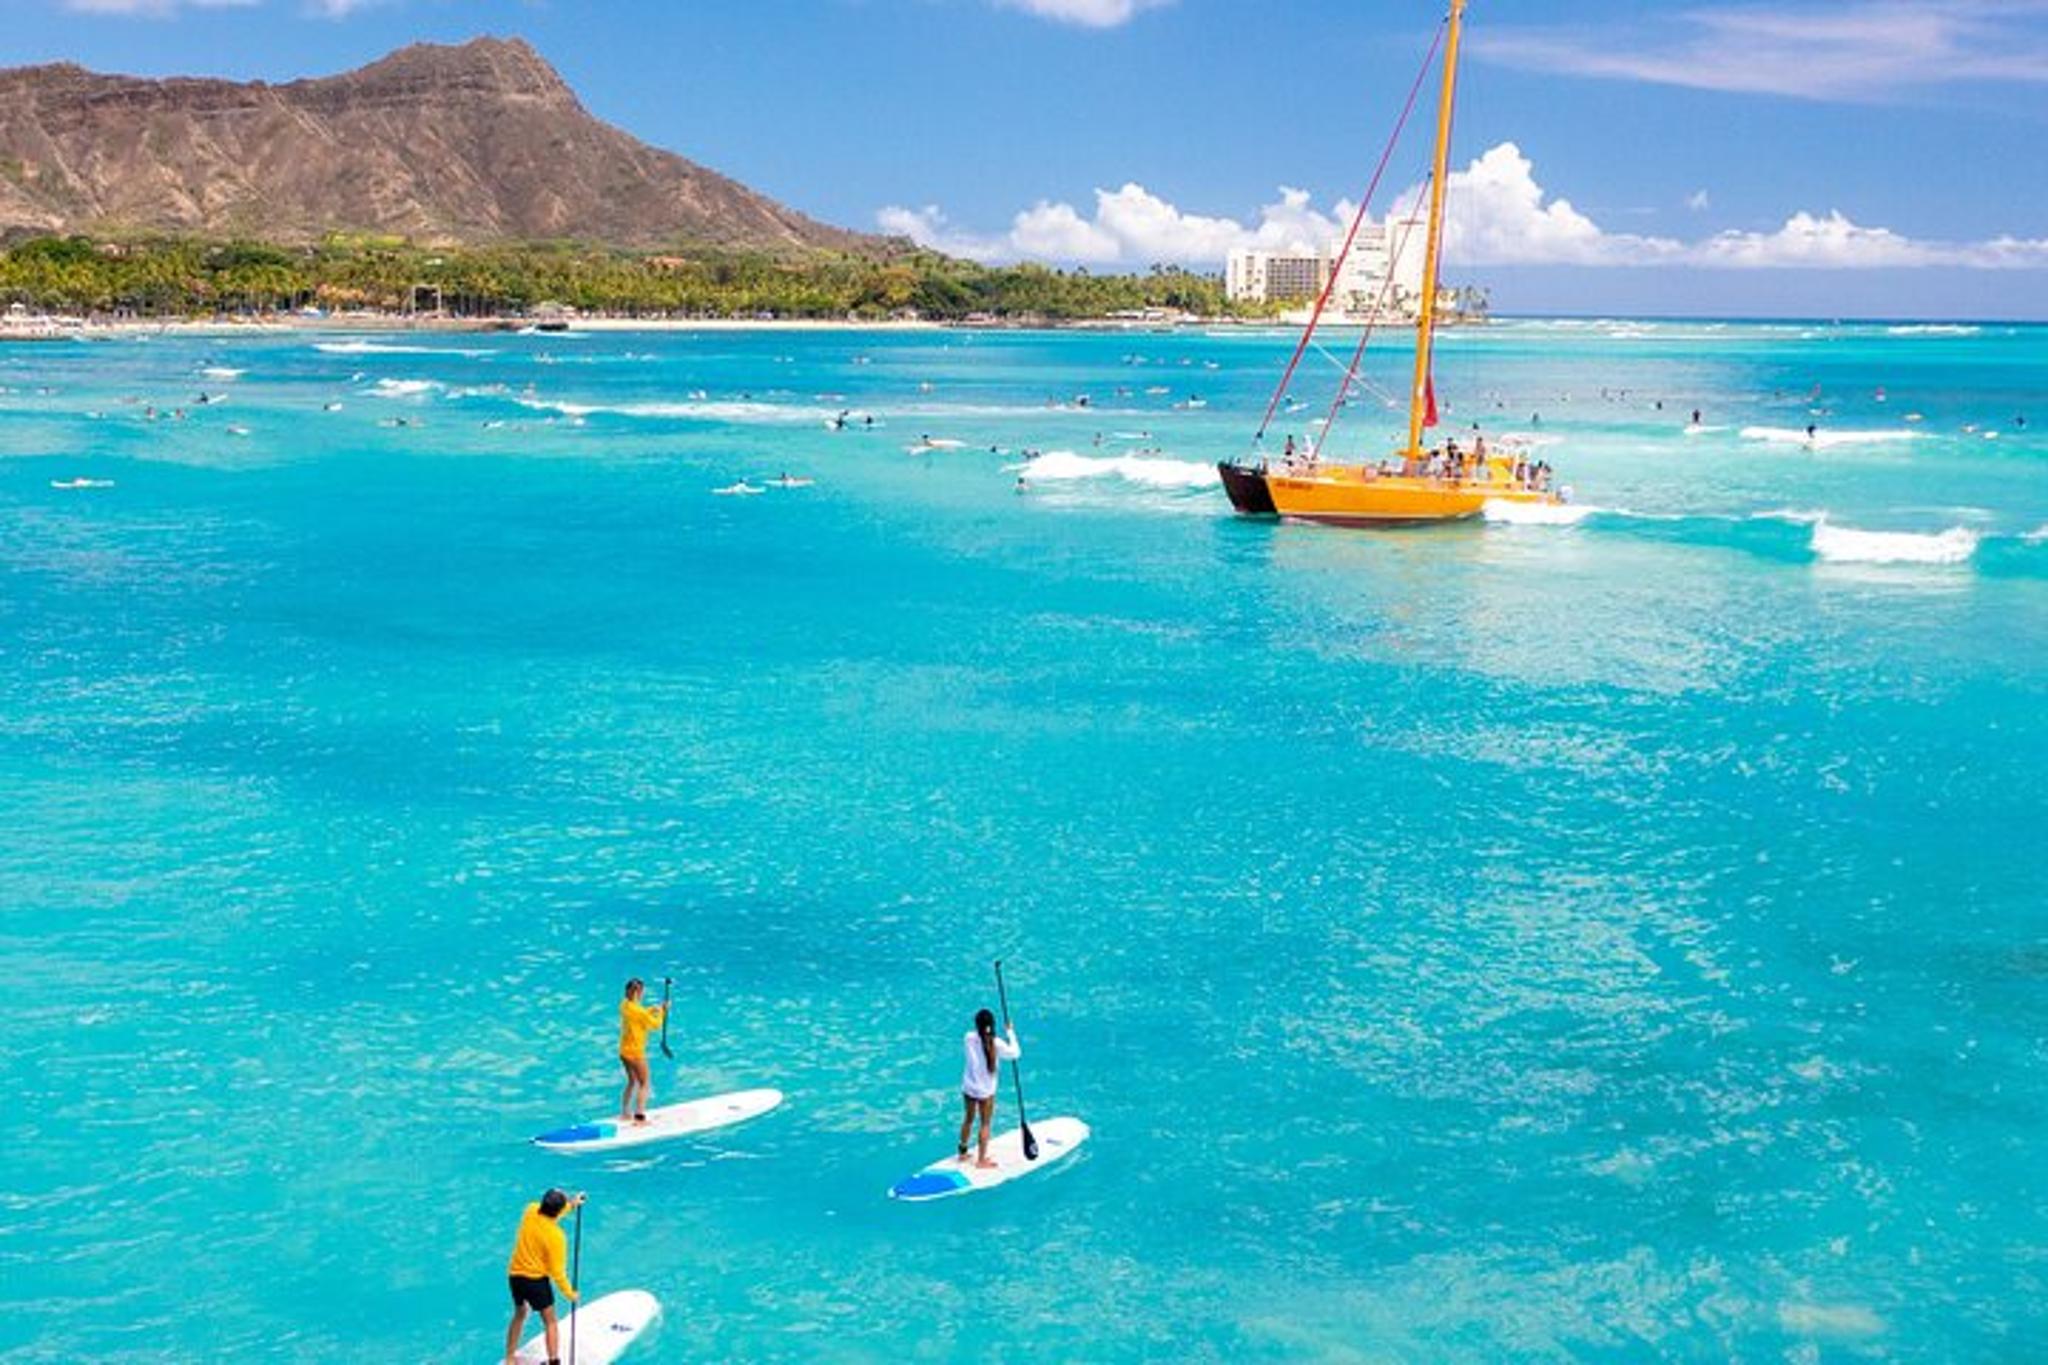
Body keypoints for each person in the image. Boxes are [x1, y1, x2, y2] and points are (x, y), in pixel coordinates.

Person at [504, 1188, 584, 1365]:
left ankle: (510, 1357)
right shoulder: (556, 1237)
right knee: (550, 1322)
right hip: (536, 1282)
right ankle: (553, 1362)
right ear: (558, 1210)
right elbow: (557, 1273)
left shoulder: (530, 1210)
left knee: (520, 1313)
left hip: (515, 1276)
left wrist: (572, 1204)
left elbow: (551, 1213)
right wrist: (570, 1294)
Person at [957, 1007, 1019, 1169]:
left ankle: (963, 1152)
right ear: (992, 1025)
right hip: (985, 1092)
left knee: (968, 1119)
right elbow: (1015, 1053)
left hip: (969, 1088)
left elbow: (980, 1035)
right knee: (985, 1124)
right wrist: (1010, 1032)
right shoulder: (996, 1043)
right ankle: (981, 1160)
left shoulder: (968, 1038)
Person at [617, 978, 666, 1124]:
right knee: (645, 1083)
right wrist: (663, 1011)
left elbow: (640, 1014)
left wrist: (652, 1009)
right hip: (636, 1052)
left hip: (624, 1051)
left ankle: (625, 1113)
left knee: (632, 1081)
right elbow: (656, 1024)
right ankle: (639, 1118)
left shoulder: (625, 1005)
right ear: (639, 992)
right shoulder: (638, 1012)